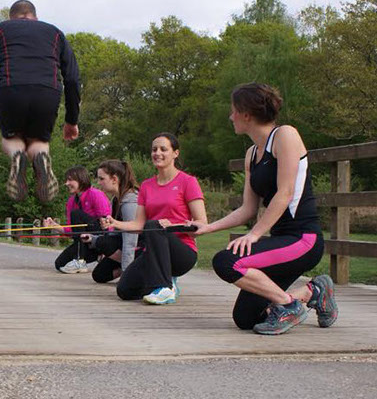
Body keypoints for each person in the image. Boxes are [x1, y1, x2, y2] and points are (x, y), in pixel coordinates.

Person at [191, 82, 338, 335]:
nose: (230, 117)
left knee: (227, 262)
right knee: (245, 318)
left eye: (233, 111)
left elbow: (286, 193)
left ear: (246, 114)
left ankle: (290, 305)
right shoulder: (251, 154)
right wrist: (207, 227)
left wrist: (254, 234)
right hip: (282, 240)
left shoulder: (285, 135)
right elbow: (248, 209)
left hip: (304, 239)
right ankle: (314, 291)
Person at [0, 0, 81, 203]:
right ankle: (43, 162)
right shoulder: (55, 33)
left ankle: (17, 155)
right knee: (39, 141)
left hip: (12, 88)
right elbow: (72, 78)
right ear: (34, 16)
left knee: (11, 139)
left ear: (12, 17)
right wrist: (71, 120)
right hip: (48, 91)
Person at [102, 133, 207, 305]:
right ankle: (165, 281)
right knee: (124, 290)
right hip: (153, 253)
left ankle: (164, 287)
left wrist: (173, 226)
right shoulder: (146, 185)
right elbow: (139, 225)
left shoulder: (188, 182)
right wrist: (115, 223)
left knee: (154, 225)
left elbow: (202, 223)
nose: (157, 153)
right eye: (154, 149)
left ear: (175, 153)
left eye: (163, 149)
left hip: (182, 253)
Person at [81, 160, 141, 283]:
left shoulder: (130, 201)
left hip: (139, 248)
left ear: (114, 179)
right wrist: (93, 239)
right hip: (125, 246)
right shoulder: (115, 200)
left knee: (104, 243)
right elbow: (115, 234)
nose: (99, 183)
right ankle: (135, 269)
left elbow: (131, 240)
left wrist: (126, 275)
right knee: (99, 275)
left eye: (102, 179)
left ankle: (136, 269)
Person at [44, 166, 111, 274]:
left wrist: (106, 246)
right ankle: (83, 258)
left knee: (76, 214)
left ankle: (81, 260)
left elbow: (108, 223)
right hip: (84, 242)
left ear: (81, 179)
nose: (66, 183)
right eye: (66, 180)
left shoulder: (96, 194)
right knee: (60, 264)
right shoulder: (71, 201)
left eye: (70, 180)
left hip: (99, 235)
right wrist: (54, 225)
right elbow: (73, 231)